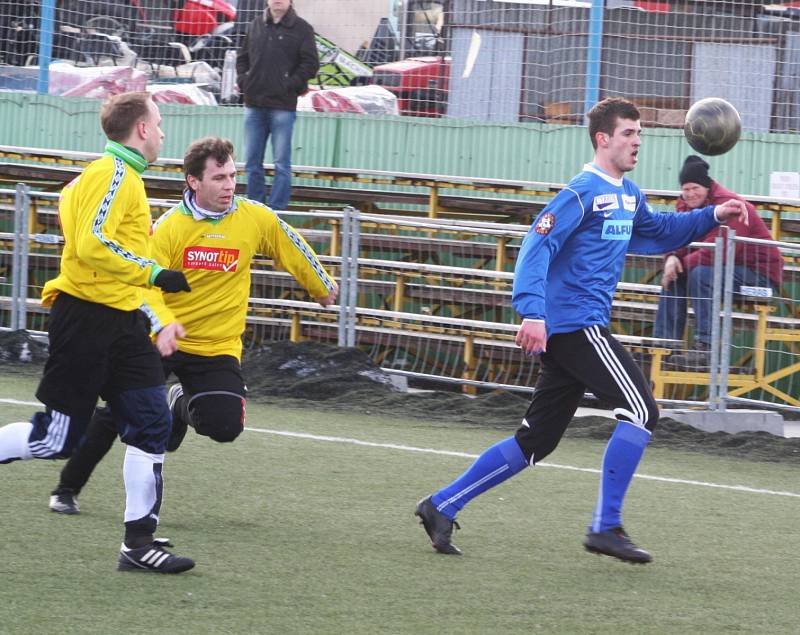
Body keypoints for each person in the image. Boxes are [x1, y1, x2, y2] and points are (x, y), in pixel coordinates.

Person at [414, 98, 749, 564]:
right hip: (575, 325)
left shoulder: (629, 194)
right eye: (629, 133)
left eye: (639, 134)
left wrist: (712, 216)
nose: (637, 142)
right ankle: (605, 526)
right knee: (640, 410)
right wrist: (532, 312)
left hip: (575, 329)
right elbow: (537, 244)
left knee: (536, 441)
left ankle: (442, 504)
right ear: (603, 139)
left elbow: (657, 231)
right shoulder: (580, 192)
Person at [48, 136, 338, 516]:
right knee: (117, 413)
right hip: (161, 338)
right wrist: (164, 325)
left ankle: (177, 402)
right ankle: (67, 488)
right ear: (193, 182)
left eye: (233, 176)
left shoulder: (253, 217)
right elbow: (144, 286)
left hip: (217, 346)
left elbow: (291, 244)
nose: (230, 185)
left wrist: (322, 286)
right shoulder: (168, 228)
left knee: (225, 427)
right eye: (218, 178)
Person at [0, 92, 196, 573]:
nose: (164, 133)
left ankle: (138, 545)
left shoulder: (120, 176)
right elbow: (91, 243)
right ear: (143, 129)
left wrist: (155, 313)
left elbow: (88, 223)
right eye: (160, 123)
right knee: (57, 440)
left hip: (123, 323)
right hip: (86, 319)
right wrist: (154, 273)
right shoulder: (112, 173)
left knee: (154, 424)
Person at [654, 155, 784, 368]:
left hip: (761, 278)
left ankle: (706, 347)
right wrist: (672, 258)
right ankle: (664, 346)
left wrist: (680, 262)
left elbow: (719, 251)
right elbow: (676, 235)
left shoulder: (730, 205)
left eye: (694, 187)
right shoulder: (685, 204)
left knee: (702, 274)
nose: (689, 194)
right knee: (675, 276)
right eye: (685, 189)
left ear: (707, 186)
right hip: (726, 271)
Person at [236, 0, 319, 210]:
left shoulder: (302, 29)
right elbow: (242, 58)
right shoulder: (255, 25)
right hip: (254, 105)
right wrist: (244, 80)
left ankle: (277, 211)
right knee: (252, 162)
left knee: (282, 163)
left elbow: (310, 64)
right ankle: (255, 208)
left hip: (283, 106)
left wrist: (289, 84)